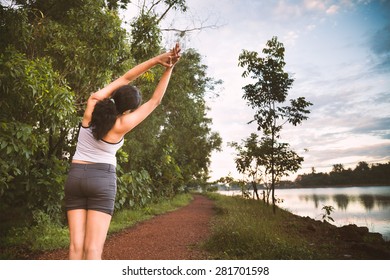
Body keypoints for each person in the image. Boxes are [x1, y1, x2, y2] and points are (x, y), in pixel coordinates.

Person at [64, 43, 181, 260]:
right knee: (93, 251)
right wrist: (169, 68)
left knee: (75, 248)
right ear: (127, 110)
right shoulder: (122, 124)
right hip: (102, 179)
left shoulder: (93, 104)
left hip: (76, 177)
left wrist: (157, 59)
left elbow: (126, 77)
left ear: (115, 96)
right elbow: (156, 101)